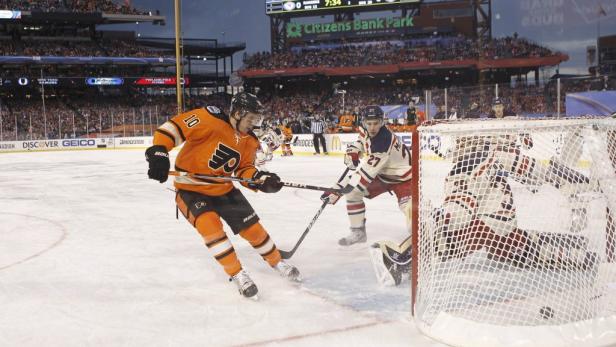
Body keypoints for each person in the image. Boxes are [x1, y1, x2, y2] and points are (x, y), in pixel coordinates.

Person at [145, 92, 300, 299]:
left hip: (223, 188)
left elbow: (243, 169)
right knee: (211, 227)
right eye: (250, 119)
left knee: (253, 229)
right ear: (237, 113)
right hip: (190, 189)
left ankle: (277, 261)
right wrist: (159, 152)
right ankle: (237, 274)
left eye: (256, 119)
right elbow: (173, 129)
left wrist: (260, 179)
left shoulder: (250, 140)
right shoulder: (209, 118)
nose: (253, 124)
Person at [320, 105, 413, 246]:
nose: (372, 127)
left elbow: (364, 175)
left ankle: (420, 235)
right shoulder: (366, 130)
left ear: (382, 122)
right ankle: (358, 232)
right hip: (383, 174)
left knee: (408, 207)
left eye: (376, 123)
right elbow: (361, 141)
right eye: (369, 124)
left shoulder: (383, 142)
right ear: (363, 122)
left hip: (403, 177)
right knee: (353, 194)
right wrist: (354, 151)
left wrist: (338, 188)